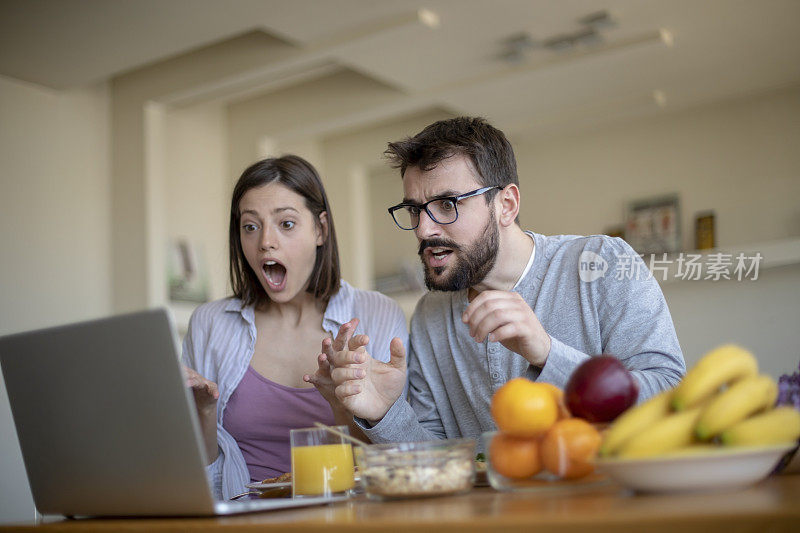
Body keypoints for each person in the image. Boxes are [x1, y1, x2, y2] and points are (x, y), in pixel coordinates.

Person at [323, 117, 686, 446]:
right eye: (415, 209)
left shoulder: (603, 263)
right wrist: (385, 412)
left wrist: (547, 354)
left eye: (447, 204)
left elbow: (670, 396)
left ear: (506, 205)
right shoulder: (431, 315)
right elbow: (436, 461)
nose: (423, 229)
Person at [181, 155, 407, 500]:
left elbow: (397, 464)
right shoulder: (210, 323)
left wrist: (343, 405)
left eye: (286, 224)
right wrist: (203, 412)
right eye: (250, 226)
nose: (265, 242)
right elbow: (202, 479)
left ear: (321, 229)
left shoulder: (377, 313)